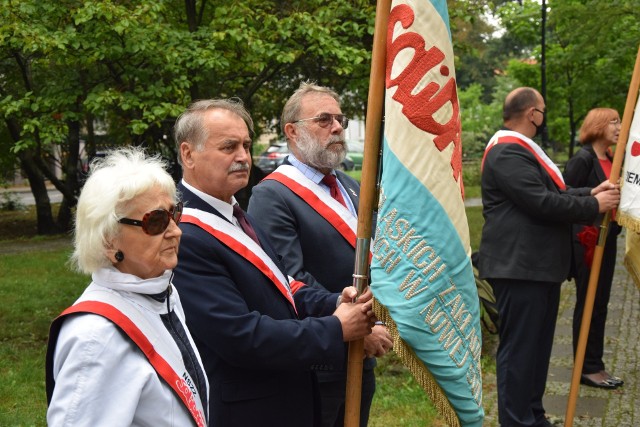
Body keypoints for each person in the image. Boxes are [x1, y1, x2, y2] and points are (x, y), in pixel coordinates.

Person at [171, 98, 376, 427]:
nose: (242, 156)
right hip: (248, 410)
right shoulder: (184, 235)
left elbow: (283, 285)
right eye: (228, 147)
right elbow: (241, 336)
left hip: (285, 397)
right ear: (188, 154)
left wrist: (335, 301)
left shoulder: (234, 214)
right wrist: (335, 328)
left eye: (246, 145)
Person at [248, 82, 392, 427]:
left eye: (340, 118)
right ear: (292, 131)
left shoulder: (350, 184)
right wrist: (357, 324)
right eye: (324, 119)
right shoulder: (271, 196)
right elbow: (288, 277)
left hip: (360, 351)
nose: (338, 126)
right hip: (317, 360)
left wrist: (378, 317)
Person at [478, 87, 620, 427]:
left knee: (538, 352)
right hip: (520, 267)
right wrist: (592, 205)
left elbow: (554, 192)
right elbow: (541, 202)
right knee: (520, 351)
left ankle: (533, 415)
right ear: (532, 114)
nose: (544, 116)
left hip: (537, 267)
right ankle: (516, 420)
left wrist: (590, 191)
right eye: (542, 110)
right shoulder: (507, 151)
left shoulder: (521, 151)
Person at [46, 147, 208, 427]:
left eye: (174, 214)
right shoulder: (95, 338)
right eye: (155, 221)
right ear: (109, 241)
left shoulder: (162, 293)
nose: (176, 230)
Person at [564, 108, 624, 389]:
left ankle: (595, 363)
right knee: (588, 302)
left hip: (607, 239)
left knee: (600, 303)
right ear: (598, 126)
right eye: (614, 121)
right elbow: (567, 200)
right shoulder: (583, 159)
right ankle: (586, 368)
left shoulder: (612, 158)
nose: (619, 126)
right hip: (586, 242)